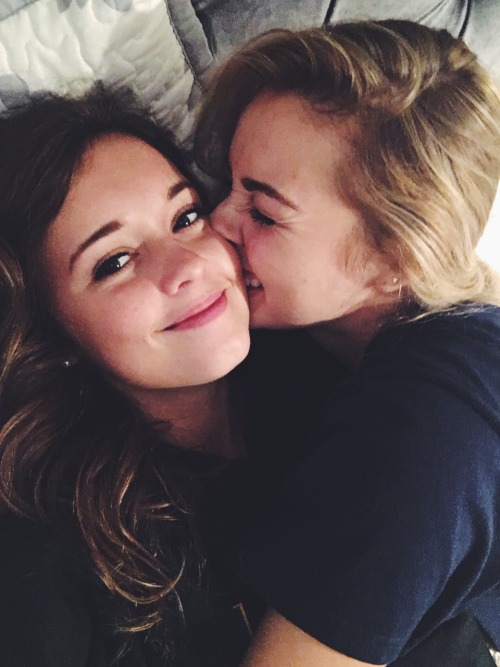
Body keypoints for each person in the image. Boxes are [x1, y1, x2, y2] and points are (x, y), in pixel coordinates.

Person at [195, 19, 500, 666]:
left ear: (397, 258)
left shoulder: (424, 433)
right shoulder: (320, 325)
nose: (217, 222)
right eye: (228, 182)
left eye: (264, 212)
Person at [0, 84, 257, 666]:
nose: (186, 266)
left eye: (186, 217)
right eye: (114, 262)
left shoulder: (352, 388)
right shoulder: (47, 556)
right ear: (51, 332)